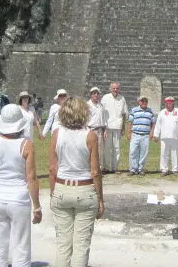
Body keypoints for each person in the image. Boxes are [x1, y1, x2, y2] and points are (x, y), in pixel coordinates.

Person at [49, 96, 105, 267]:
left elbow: (52, 168)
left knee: (63, 245)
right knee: (81, 246)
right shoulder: (90, 136)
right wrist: (100, 198)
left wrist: (53, 193)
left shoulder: (57, 134)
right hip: (84, 188)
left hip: (62, 187)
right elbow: (95, 171)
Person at [0, 103, 42, 266]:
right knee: (21, 248)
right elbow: (31, 178)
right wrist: (37, 206)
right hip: (19, 199)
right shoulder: (26, 145)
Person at [153, 97, 178, 176]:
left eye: (170, 103)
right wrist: (156, 135)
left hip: (176, 137)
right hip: (164, 137)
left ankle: (175, 170)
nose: (169, 104)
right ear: (165, 103)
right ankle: (164, 169)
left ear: (173, 103)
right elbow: (158, 125)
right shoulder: (162, 112)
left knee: (175, 154)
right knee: (164, 154)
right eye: (167, 103)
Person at [101, 82, 128, 173]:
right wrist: (103, 127)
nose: (115, 90)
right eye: (113, 88)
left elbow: (124, 114)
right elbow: (101, 112)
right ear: (110, 89)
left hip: (118, 127)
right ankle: (106, 167)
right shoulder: (105, 97)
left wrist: (123, 127)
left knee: (117, 148)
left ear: (119, 89)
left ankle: (114, 168)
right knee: (107, 148)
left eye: (117, 88)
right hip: (107, 127)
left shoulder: (122, 98)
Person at [127, 96, 155, 175]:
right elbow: (130, 122)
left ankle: (140, 169)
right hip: (135, 134)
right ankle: (133, 169)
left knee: (143, 153)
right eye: (142, 101)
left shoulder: (150, 111)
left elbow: (153, 123)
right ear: (139, 102)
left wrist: (152, 133)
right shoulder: (134, 110)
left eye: (145, 101)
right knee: (133, 152)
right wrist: (128, 133)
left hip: (145, 135)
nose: (144, 103)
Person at [87, 87, 107, 171]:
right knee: (89, 149)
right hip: (90, 129)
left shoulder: (101, 105)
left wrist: (105, 130)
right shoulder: (87, 105)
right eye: (94, 93)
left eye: (97, 93)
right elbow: (85, 119)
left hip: (100, 130)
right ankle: (89, 167)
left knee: (99, 150)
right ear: (91, 95)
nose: (96, 95)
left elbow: (104, 118)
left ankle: (98, 167)